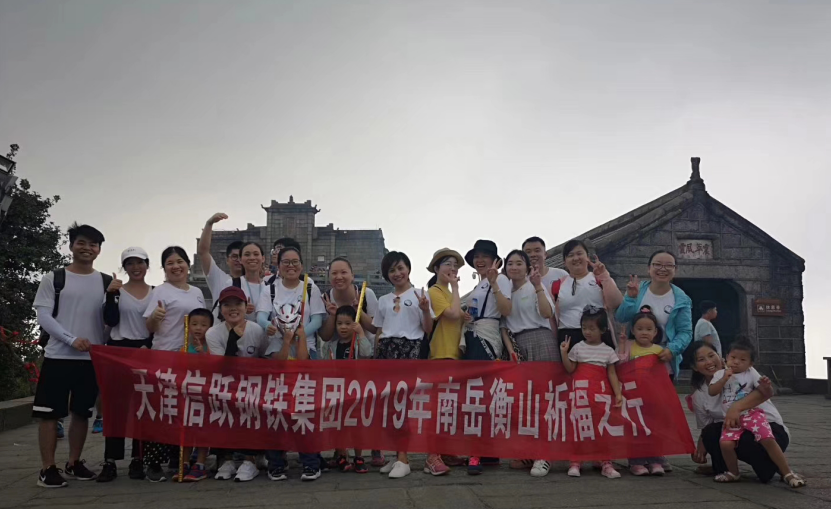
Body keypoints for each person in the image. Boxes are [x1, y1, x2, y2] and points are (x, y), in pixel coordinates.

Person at [32, 223, 108, 488]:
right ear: (72, 245)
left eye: (93, 244)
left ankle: (74, 462)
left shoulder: (105, 282)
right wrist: (70, 339)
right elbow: (43, 316)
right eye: (82, 243)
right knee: (49, 414)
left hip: (90, 360)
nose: (88, 248)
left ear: (99, 250)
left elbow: (110, 320)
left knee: (81, 414)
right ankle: (47, 468)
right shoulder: (54, 279)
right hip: (58, 357)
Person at [141, 247, 207, 482]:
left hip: (190, 358)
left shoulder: (197, 292)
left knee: (185, 409)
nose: (176, 266)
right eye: (170, 263)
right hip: (165, 356)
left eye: (180, 261)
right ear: (164, 268)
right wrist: (154, 318)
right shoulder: (160, 291)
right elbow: (148, 328)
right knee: (162, 409)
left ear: (188, 264)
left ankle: (179, 458)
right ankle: (154, 462)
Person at [688, 340, 790, 484]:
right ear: (694, 367)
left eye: (712, 355)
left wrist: (736, 408)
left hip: (769, 428)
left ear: (720, 356)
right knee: (712, 433)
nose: (709, 362)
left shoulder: (743, 370)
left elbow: (765, 393)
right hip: (735, 430)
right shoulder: (699, 394)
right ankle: (724, 469)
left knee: (750, 445)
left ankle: (774, 465)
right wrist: (700, 450)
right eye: (701, 359)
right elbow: (707, 426)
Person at [707, 341, 805, 486]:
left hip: (752, 414)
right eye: (733, 357)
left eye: (742, 360)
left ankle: (787, 472)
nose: (736, 362)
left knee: (766, 438)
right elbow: (712, 391)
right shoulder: (720, 374)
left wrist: (766, 385)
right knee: (726, 444)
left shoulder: (750, 374)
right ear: (726, 357)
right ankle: (733, 472)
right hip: (732, 419)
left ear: (750, 363)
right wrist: (723, 379)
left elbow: (767, 393)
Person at [373, 251, 435, 479]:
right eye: (391, 270)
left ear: (408, 268)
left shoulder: (420, 295)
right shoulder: (383, 300)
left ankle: (404, 458)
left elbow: (428, 329)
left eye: (400, 268)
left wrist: (426, 309)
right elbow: (379, 330)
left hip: (410, 349)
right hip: (387, 350)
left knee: (404, 404)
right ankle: (396, 454)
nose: (397, 273)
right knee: (388, 405)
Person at [499, 249, 557, 478]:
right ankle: (529, 452)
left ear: (526, 267)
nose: (514, 267)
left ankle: (545, 455)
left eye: (518, 263)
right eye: (510, 263)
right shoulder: (503, 291)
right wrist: (511, 350)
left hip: (541, 340)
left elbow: (546, 313)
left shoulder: (534, 286)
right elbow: (503, 325)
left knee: (544, 400)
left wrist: (538, 285)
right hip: (517, 345)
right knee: (523, 402)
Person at [98, 247, 153, 483]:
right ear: (124, 267)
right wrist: (110, 295)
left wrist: (148, 345)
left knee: (142, 408)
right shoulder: (116, 291)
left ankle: (138, 459)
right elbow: (110, 320)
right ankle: (110, 460)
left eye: (139, 262)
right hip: (119, 349)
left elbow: (158, 324)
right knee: (116, 408)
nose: (135, 267)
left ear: (147, 265)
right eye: (130, 263)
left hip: (144, 351)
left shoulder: (156, 292)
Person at [205, 286, 269, 482]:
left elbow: (264, 358)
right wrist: (232, 339)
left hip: (252, 387)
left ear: (245, 306)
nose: (233, 309)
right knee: (220, 409)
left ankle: (251, 459)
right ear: (220, 308)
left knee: (252, 409)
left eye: (238, 304)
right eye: (227, 305)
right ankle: (226, 458)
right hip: (225, 385)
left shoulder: (257, 330)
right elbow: (222, 368)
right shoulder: (213, 333)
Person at [463, 240, 511, 475]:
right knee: (480, 394)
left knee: (477, 395)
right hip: (475, 334)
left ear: (495, 259)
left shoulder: (499, 280)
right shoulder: (480, 284)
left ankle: (476, 452)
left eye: (484, 256)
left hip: (486, 338)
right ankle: (487, 451)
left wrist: (495, 282)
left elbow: (505, 310)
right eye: (476, 256)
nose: (479, 260)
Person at [560, 306, 623, 479]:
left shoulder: (608, 351)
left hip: (601, 395)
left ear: (603, 329)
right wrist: (564, 353)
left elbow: (612, 373)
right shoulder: (578, 348)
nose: (587, 332)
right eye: (584, 328)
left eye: (592, 328)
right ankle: (576, 461)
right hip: (580, 394)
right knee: (578, 426)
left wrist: (617, 393)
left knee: (601, 427)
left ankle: (605, 461)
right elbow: (570, 368)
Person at [422, 248, 466, 476]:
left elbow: (458, 315)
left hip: (453, 355)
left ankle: (446, 450)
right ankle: (432, 456)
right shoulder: (435, 291)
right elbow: (451, 315)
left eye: (455, 265)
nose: (452, 268)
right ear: (437, 269)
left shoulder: (449, 294)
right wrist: (457, 287)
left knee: (449, 408)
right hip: (440, 355)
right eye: (447, 264)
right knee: (437, 408)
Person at [616, 250, 692, 380]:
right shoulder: (637, 290)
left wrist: (672, 350)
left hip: (662, 358)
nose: (663, 269)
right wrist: (630, 299)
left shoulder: (682, 299)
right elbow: (621, 317)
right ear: (648, 268)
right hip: (634, 356)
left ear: (675, 270)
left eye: (669, 265)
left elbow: (685, 332)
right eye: (657, 264)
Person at [264, 325, 322, 482]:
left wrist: (301, 337)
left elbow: (303, 360)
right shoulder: (275, 340)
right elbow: (279, 361)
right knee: (275, 426)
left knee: (305, 425)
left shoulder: (305, 340)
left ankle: (311, 464)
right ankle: (276, 465)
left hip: (303, 391)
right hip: (279, 392)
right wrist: (287, 341)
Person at [619, 307, 668, 475]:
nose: (644, 332)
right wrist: (622, 344)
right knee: (635, 429)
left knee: (654, 428)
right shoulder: (630, 347)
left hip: (653, 398)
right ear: (633, 330)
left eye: (648, 329)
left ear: (655, 332)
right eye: (640, 329)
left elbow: (664, 376)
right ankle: (636, 461)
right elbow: (620, 365)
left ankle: (655, 459)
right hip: (633, 398)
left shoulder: (659, 351)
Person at [551, 240, 623, 351]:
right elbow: (552, 318)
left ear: (587, 257)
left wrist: (604, 277)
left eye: (579, 254)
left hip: (599, 335)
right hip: (569, 337)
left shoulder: (599, 278)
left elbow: (615, 303)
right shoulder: (557, 285)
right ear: (565, 262)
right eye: (570, 255)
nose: (576, 258)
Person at [257, 246, 326, 358]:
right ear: (278, 266)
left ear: (301, 266)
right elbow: (261, 317)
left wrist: (297, 336)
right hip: (277, 346)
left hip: (305, 347)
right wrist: (268, 326)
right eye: (286, 262)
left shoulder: (310, 289)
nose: (291, 265)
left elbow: (317, 321)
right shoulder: (269, 289)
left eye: (295, 262)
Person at [199, 213, 268, 321]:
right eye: (234, 256)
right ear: (227, 260)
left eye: (255, 254)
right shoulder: (221, 279)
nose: (237, 260)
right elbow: (203, 252)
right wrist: (209, 223)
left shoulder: (266, 285)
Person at [329, 306, 372, 473]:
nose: (343, 327)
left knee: (356, 425)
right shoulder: (331, 345)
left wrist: (361, 333)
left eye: (348, 323)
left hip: (355, 390)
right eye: (339, 323)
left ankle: (359, 456)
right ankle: (341, 454)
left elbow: (367, 353)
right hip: (337, 390)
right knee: (337, 425)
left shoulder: (358, 341)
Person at [180, 309, 213, 482]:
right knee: (186, 430)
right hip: (188, 395)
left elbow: (214, 367)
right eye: (194, 324)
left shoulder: (211, 346)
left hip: (205, 395)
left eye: (203, 325)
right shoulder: (184, 347)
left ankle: (200, 463)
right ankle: (184, 461)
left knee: (202, 429)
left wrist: (203, 354)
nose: (198, 328)